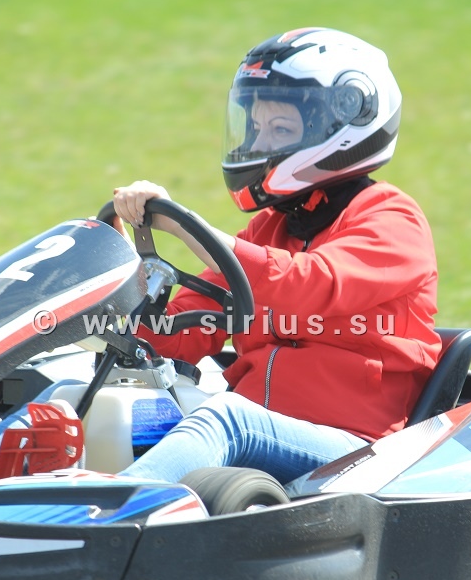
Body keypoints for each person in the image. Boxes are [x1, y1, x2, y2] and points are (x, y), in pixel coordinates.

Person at [111, 27, 441, 485]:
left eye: (281, 129)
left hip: (355, 448)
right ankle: (15, 492)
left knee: (226, 418)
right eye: (257, 128)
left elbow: (308, 286)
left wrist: (186, 228)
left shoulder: (392, 219)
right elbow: (178, 337)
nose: (261, 144)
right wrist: (126, 273)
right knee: (95, 396)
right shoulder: (270, 228)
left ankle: (111, 512)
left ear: (341, 128)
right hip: (259, 425)